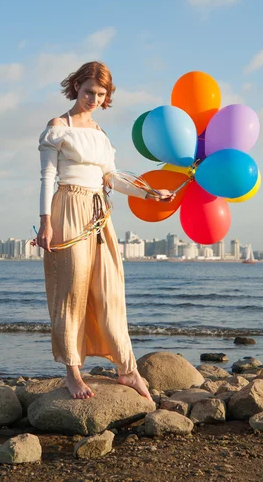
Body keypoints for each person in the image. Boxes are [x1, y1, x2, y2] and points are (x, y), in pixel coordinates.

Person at [36, 61, 175, 401]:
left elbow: (113, 178)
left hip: (100, 213)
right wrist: (44, 223)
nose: (94, 99)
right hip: (68, 208)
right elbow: (47, 178)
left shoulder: (100, 134)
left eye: (101, 94)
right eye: (88, 92)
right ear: (76, 88)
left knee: (110, 290)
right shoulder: (58, 126)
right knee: (71, 292)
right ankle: (73, 372)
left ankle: (127, 370)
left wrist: (149, 193)